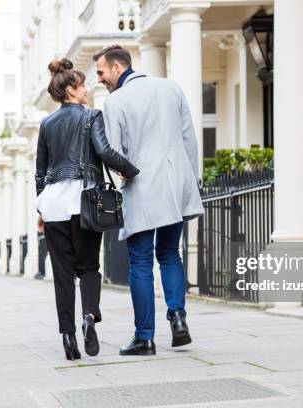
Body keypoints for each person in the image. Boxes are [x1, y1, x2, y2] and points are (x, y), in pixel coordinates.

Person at [93, 45, 204, 356]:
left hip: (142, 186)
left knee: (140, 261)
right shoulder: (171, 87)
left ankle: (145, 337)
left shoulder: (115, 102)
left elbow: (114, 152)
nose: (99, 79)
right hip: (176, 185)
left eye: (101, 72)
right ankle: (178, 316)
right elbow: (189, 140)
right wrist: (189, 183)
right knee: (169, 254)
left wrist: (120, 182)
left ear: (117, 68)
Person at [35, 57, 140, 360]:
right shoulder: (92, 116)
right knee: (89, 268)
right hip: (84, 200)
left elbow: (40, 171)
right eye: (81, 86)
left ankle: (68, 337)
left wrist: (40, 206)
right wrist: (132, 171)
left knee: (63, 273)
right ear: (70, 90)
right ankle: (89, 317)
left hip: (54, 203)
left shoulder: (46, 124)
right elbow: (105, 152)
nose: (86, 90)